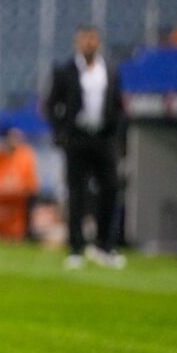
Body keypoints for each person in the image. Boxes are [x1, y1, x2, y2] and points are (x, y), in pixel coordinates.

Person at [45, 26, 126, 269]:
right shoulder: (65, 70)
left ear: (98, 42)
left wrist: (116, 135)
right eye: (85, 39)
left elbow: (118, 105)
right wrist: (61, 133)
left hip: (103, 138)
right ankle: (76, 248)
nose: (89, 43)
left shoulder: (109, 70)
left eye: (93, 39)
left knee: (110, 189)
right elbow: (51, 104)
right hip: (77, 139)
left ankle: (104, 245)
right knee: (77, 193)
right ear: (77, 43)